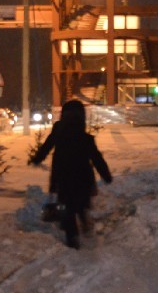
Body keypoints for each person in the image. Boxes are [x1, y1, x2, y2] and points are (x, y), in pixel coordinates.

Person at [30, 99, 112, 249]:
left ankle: (72, 237)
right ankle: (84, 224)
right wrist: (106, 175)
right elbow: (97, 158)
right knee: (80, 205)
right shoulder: (85, 138)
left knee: (67, 207)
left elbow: (47, 146)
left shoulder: (59, 132)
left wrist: (37, 158)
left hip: (63, 177)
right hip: (83, 179)